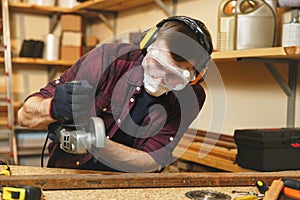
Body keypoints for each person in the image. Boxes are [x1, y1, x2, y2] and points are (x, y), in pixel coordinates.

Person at [18, 16, 213, 172]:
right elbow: (24, 117)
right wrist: (52, 107)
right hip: (70, 171)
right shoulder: (108, 60)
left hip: (130, 185)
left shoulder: (191, 97)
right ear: (147, 46)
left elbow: (153, 159)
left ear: (195, 77)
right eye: (157, 65)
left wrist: (94, 142)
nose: (161, 79)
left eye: (175, 76)